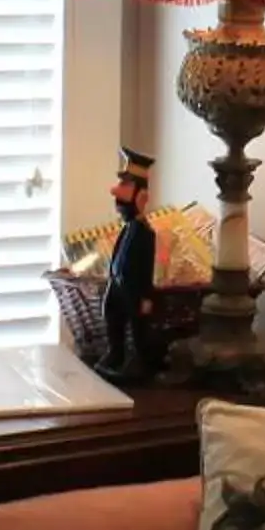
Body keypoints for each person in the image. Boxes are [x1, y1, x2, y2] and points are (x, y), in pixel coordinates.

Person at [98, 148, 159, 382]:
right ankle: (115, 353)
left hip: (134, 288)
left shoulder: (145, 232)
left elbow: (146, 267)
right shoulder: (128, 228)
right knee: (111, 313)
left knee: (138, 325)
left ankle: (139, 361)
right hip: (118, 283)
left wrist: (146, 296)